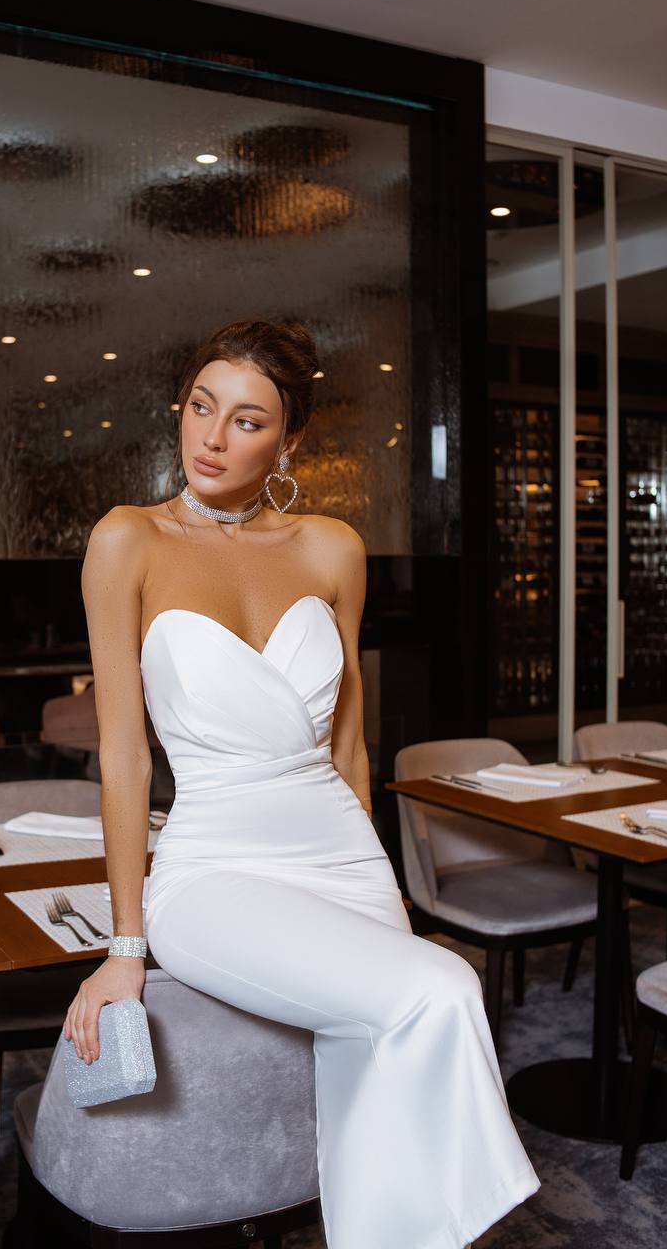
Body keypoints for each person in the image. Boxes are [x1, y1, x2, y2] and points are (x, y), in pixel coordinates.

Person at [64, 318, 540, 1248]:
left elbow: (350, 743)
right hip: (213, 871)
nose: (210, 437)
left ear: (290, 442)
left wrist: (384, 888)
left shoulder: (332, 549)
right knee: (444, 989)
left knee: (377, 1058)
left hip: (343, 857)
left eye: (245, 421)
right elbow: (124, 759)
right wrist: (127, 944)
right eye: (201, 407)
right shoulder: (128, 541)